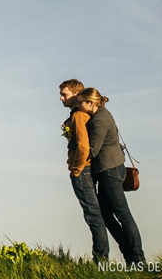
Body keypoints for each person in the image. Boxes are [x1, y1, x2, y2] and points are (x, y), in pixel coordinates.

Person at [77, 87, 146, 265]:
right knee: (107, 215)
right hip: (108, 170)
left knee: (123, 214)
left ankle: (137, 258)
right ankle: (129, 252)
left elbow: (93, 149)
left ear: (90, 103)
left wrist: (74, 149)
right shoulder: (101, 115)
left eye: (80, 103)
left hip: (110, 170)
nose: (77, 106)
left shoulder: (100, 120)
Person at [59, 79, 109, 261]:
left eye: (64, 94)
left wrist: (76, 169)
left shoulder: (79, 116)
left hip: (84, 170)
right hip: (88, 169)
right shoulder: (78, 114)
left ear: (76, 94)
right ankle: (102, 258)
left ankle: (101, 260)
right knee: (96, 215)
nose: (60, 98)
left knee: (93, 215)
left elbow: (83, 145)